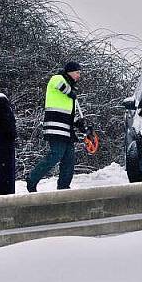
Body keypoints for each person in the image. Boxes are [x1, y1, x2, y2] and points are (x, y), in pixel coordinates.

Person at [27, 61, 84, 192]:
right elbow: (63, 87)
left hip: (66, 128)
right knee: (56, 155)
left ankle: (64, 186)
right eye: (77, 72)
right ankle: (32, 178)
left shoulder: (71, 94)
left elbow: (69, 113)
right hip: (55, 127)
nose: (78, 76)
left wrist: (79, 123)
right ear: (69, 72)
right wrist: (72, 92)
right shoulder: (57, 78)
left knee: (69, 159)